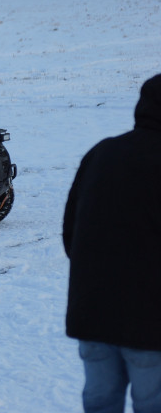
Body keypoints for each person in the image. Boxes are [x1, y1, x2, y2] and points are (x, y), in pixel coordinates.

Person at [63, 73, 161, 413]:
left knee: (100, 403)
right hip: (151, 323)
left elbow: (70, 233)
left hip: (92, 313)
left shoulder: (102, 153)